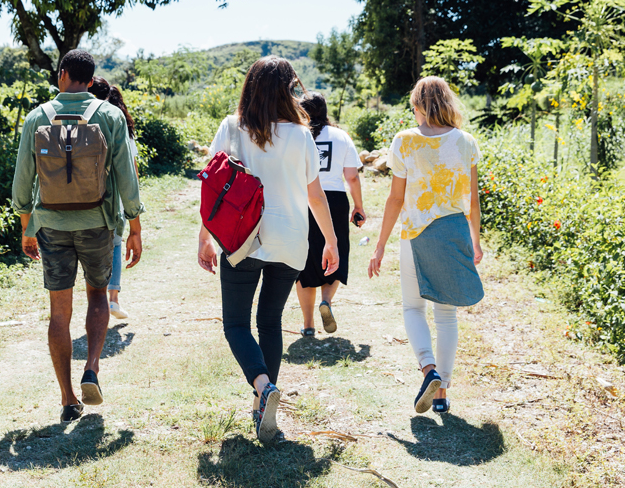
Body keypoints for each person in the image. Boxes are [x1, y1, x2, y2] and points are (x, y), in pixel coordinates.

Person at [197, 56, 340, 445]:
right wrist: (330, 240)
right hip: (292, 239)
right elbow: (315, 193)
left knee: (236, 325)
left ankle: (262, 387)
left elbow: (213, 185)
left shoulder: (232, 127)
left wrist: (204, 236)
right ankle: (265, 403)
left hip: (243, 239)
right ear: (286, 89)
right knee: (271, 322)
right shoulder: (301, 134)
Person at [12, 50, 144, 423]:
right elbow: (126, 177)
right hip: (98, 223)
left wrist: (27, 226)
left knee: (59, 311)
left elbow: (23, 178)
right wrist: (134, 228)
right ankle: (92, 367)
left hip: (51, 224)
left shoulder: (38, 116)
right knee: (97, 295)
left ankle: (68, 398)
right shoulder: (110, 115)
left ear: (63, 74)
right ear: (90, 78)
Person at [367, 76, 484, 415]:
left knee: (413, 308)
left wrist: (380, 244)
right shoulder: (466, 142)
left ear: (418, 106)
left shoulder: (404, 141)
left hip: (415, 236)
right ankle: (442, 393)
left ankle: (428, 370)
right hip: (454, 233)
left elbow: (395, 199)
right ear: (447, 104)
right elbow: (473, 202)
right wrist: (475, 241)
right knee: (446, 316)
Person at [295, 92, 366, 336]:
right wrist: (358, 206)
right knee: (334, 252)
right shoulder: (341, 136)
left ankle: (308, 325)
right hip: (334, 200)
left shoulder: (296, 135)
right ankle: (326, 301)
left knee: (304, 261)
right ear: (325, 111)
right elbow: (352, 177)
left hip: (302, 199)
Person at [90, 77, 140, 320]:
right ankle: (113, 299)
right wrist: (134, 215)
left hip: (83, 198)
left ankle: (97, 298)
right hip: (115, 199)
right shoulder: (120, 124)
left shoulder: (82, 123)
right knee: (115, 246)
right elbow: (131, 170)